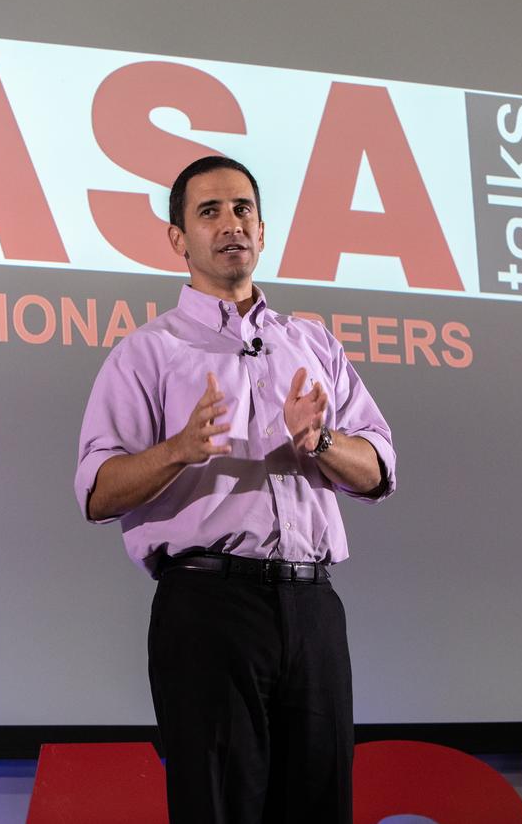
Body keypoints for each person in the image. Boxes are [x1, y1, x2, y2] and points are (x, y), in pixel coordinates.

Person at [74, 156, 396, 823]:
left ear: (264, 229)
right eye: (210, 211)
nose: (231, 224)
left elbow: (381, 470)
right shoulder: (147, 353)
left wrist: (323, 443)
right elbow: (98, 491)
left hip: (312, 607)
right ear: (178, 239)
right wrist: (178, 451)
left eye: (243, 208)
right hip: (208, 607)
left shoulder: (313, 345)